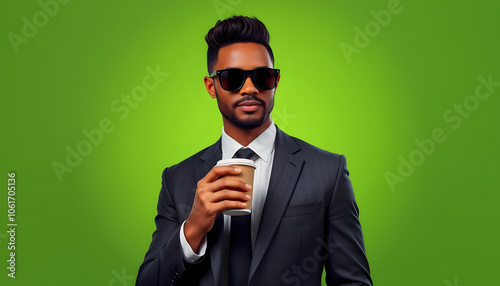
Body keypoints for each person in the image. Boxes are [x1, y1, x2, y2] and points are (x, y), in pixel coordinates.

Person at [136, 15, 372, 286]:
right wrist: (193, 228)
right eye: (232, 78)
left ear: (276, 82)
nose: (250, 88)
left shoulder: (328, 172)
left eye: (263, 76)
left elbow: (353, 281)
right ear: (211, 86)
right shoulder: (177, 180)